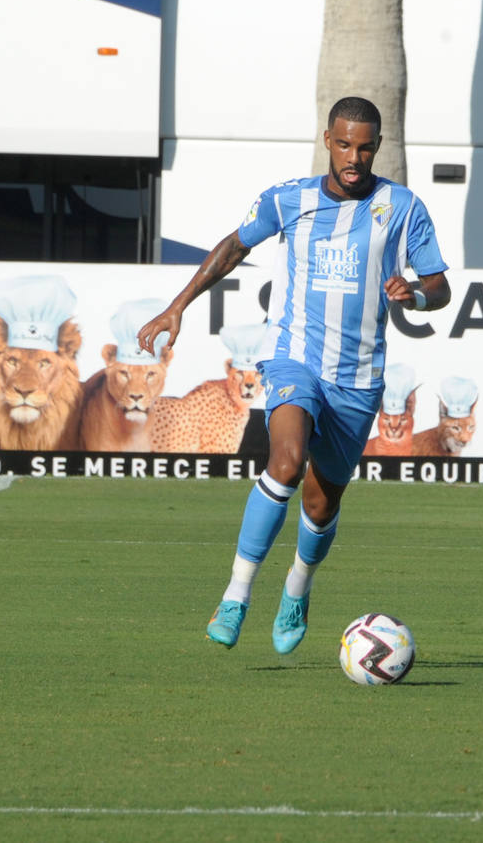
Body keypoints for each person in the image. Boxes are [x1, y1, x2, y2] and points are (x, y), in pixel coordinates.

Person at [137, 95, 451, 652]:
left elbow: (439, 286)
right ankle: (235, 595)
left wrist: (416, 296)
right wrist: (177, 306)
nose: (354, 156)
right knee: (283, 461)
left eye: (365, 146)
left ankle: (298, 588)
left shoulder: (402, 207)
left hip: (356, 377)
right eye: (344, 144)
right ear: (327, 140)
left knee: (321, 502)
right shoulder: (290, 199)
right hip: (292, 359)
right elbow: (234, 246)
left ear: (377, 147)